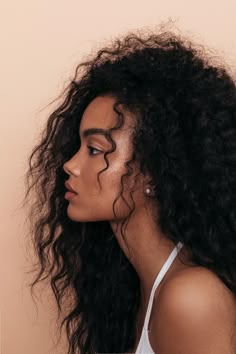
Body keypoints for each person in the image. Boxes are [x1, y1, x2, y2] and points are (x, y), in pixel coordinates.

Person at [24, 27, 236, 354]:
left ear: (154, 169)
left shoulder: (192, 298)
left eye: (95, 150)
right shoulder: (132, 286)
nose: (70, 165)